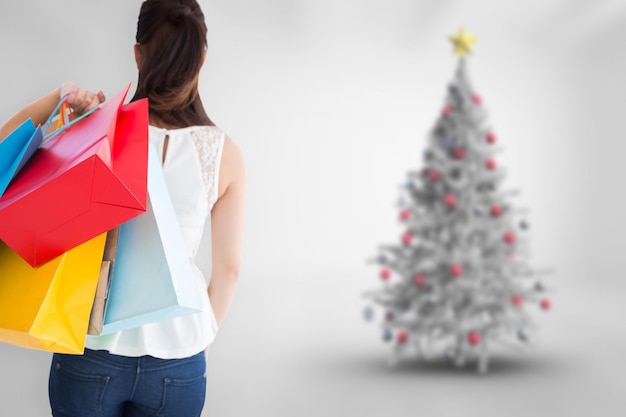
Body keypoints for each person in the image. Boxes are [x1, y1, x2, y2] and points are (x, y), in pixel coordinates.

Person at [0, 1, 246, 416]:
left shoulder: (99, 129)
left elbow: (6, 165)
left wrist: (55, 100)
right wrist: (193, 337)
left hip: (92, 349)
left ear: (137, 54)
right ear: (201, 58)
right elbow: (230, 270)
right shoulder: (225, 154)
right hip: (179, 363)